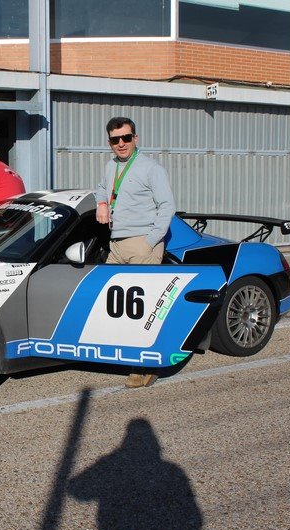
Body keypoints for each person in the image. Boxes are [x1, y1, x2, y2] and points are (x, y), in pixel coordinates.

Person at [96, 117, 176, 389]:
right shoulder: (110, 166)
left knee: (141, 311)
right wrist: (102, 203)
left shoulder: (151, 168)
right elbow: (103, 189)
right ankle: (124, 356)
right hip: (116, 244)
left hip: (142, 243)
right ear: (109, 142)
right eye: (115, 140)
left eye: (126, 138)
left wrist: (151, 241)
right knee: (113, 304)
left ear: (135, 139)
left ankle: (145, 367)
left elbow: (167, 206)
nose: (121, 144)